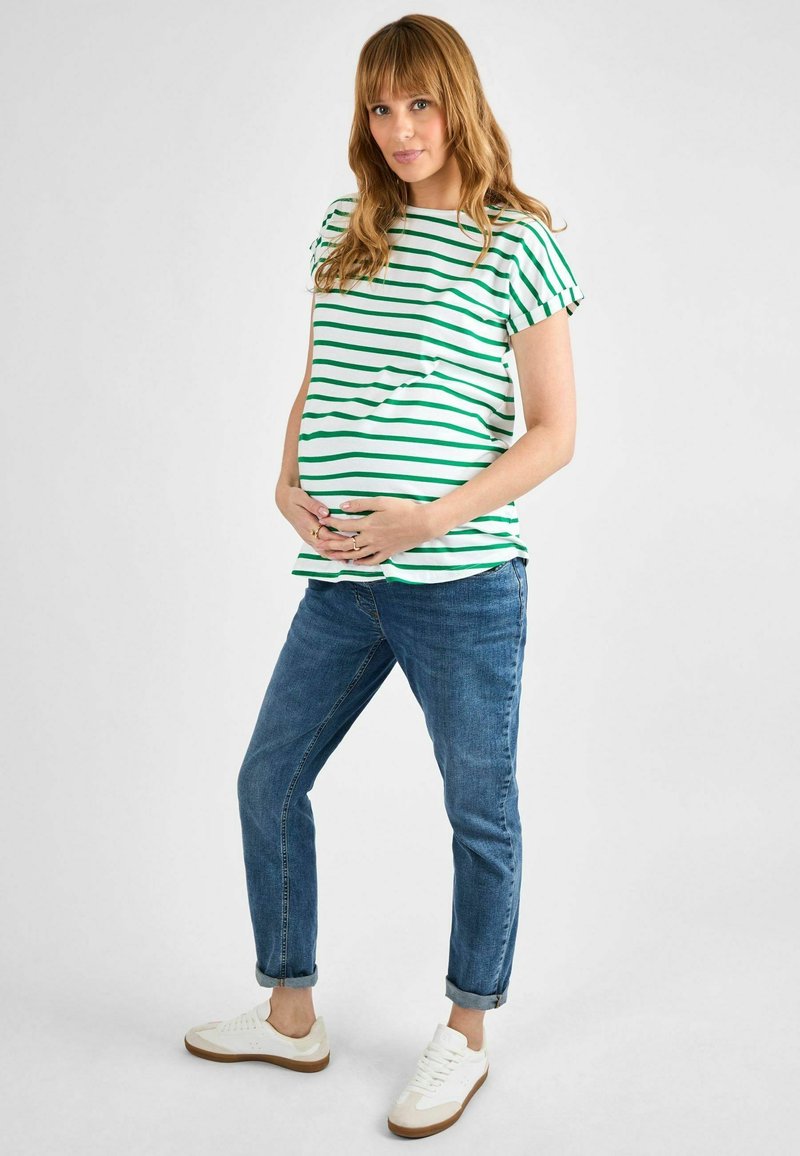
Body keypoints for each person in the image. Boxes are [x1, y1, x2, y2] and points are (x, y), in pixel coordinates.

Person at [184, 13, 584, 1140]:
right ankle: (290, 1012)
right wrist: (284, 477)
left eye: (419, 103)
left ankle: (465, 1034)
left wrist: (430, 517)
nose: (400, 128)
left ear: (458, 105)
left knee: (479, 809)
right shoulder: (345, 227)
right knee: (268, 778)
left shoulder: (517, 243)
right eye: (379, 107)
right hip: (341, 578)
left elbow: (555, 434)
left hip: (461, 583)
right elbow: (321, 377)